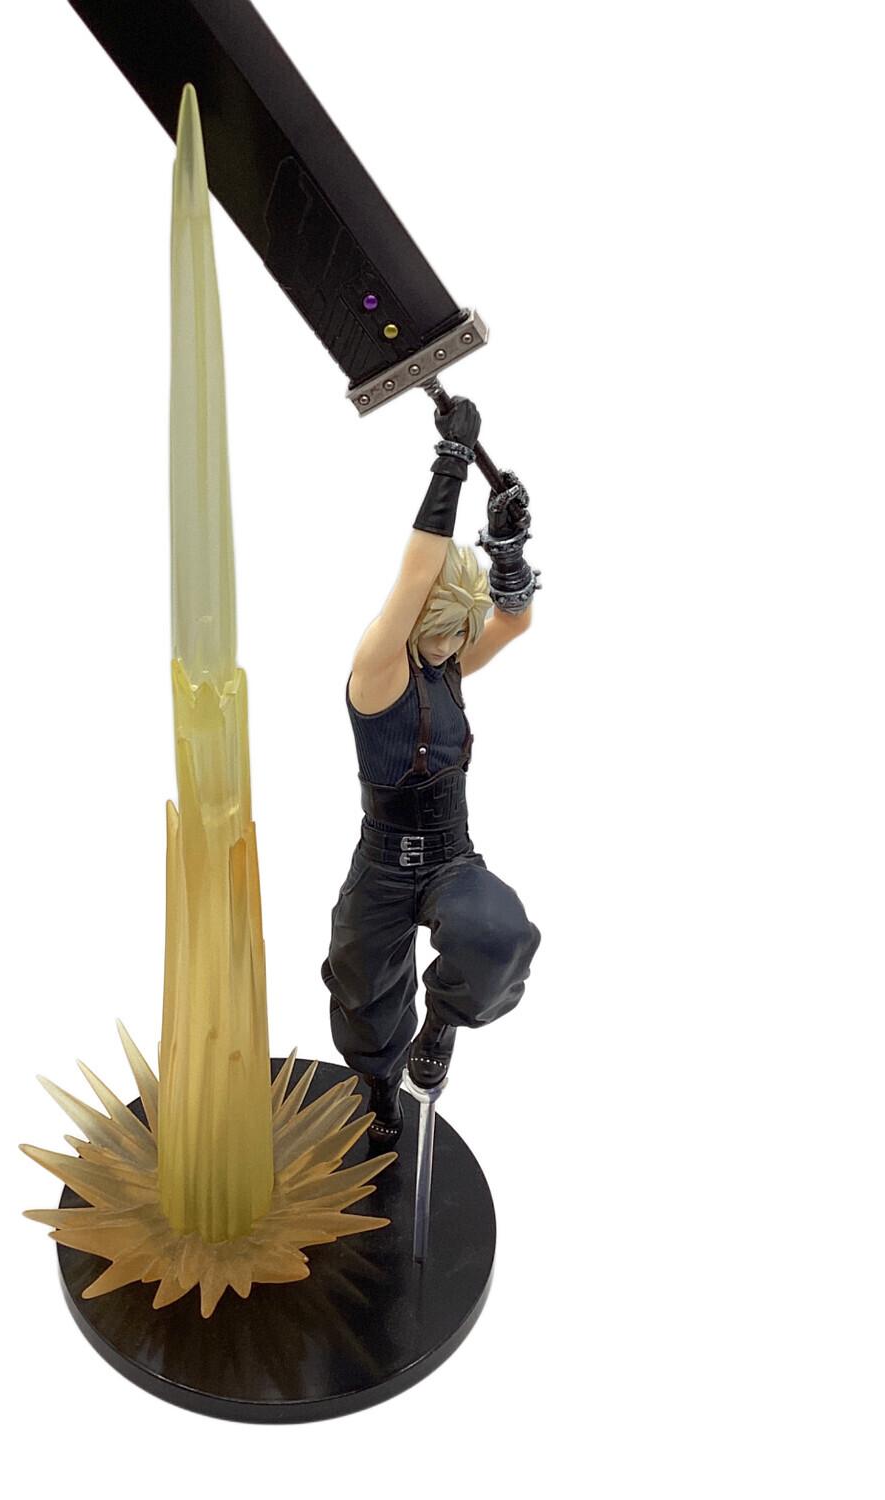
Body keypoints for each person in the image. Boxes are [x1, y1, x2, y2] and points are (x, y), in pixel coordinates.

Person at [321, 396, 541, 1141]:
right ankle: (377, 1093)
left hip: (451, 856)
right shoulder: (380, 669)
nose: (450, 646)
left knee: (499, 933)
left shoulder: (448, 667)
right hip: (384, 862)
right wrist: (451, 465)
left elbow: (514, 619)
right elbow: (416, 576)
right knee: (360, 988)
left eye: (458, 634)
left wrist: (506, 546)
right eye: (439, 632)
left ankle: (440, 1027)